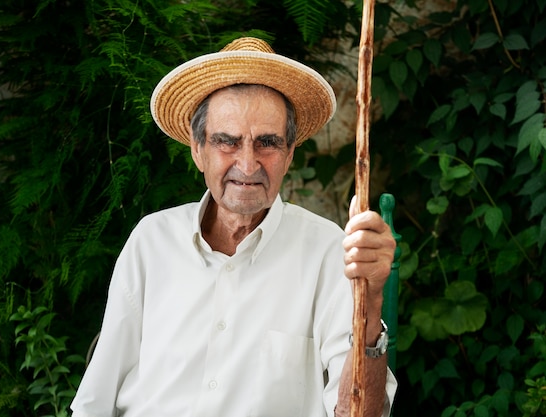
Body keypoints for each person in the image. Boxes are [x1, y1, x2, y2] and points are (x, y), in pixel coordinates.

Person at [70, 37, 397, 417]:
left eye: (267, 143)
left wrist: (371, 302)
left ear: (290, 154)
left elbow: (361, 414)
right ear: (198, 150)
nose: (247, 164)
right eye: (227, 142)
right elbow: (95, 401)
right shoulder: (151, 241)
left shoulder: (328, 251)